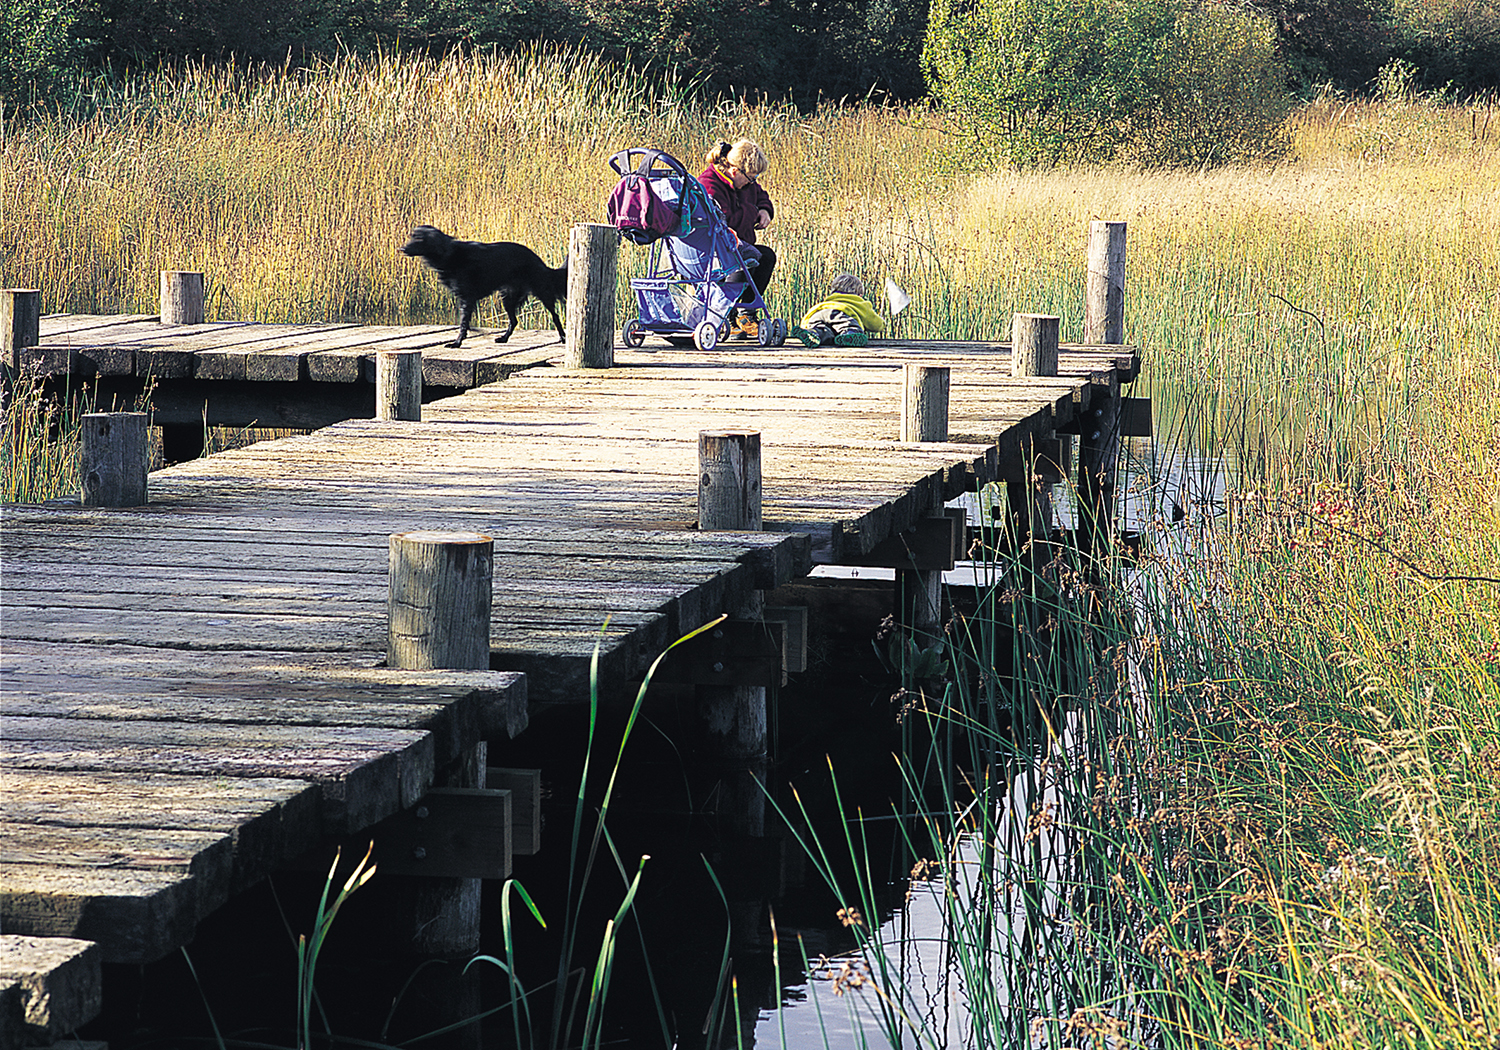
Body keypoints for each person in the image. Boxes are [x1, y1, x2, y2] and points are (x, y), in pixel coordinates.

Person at [699, 138, 775, 340]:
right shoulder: (709, 185)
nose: (753, 181)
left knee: (766, 256)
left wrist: (765, 210)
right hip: (717, 250)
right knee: (742, 261)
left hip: (741, 245)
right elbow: (726, 220)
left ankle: (746, 314)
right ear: (735, 172)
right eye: (752, 177)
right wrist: (753, 211)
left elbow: (761, 196)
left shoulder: (746, 184)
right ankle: (727, 317)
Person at [791, 274, 888, 347]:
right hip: (841, 313)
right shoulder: (859, 303)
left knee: (824, 331)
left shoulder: (830, 299)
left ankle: (813, 333)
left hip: (818, 314)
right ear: (860, 295)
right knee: (848, 326)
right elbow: (876, 325)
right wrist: (882, 323)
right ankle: (849, 335)